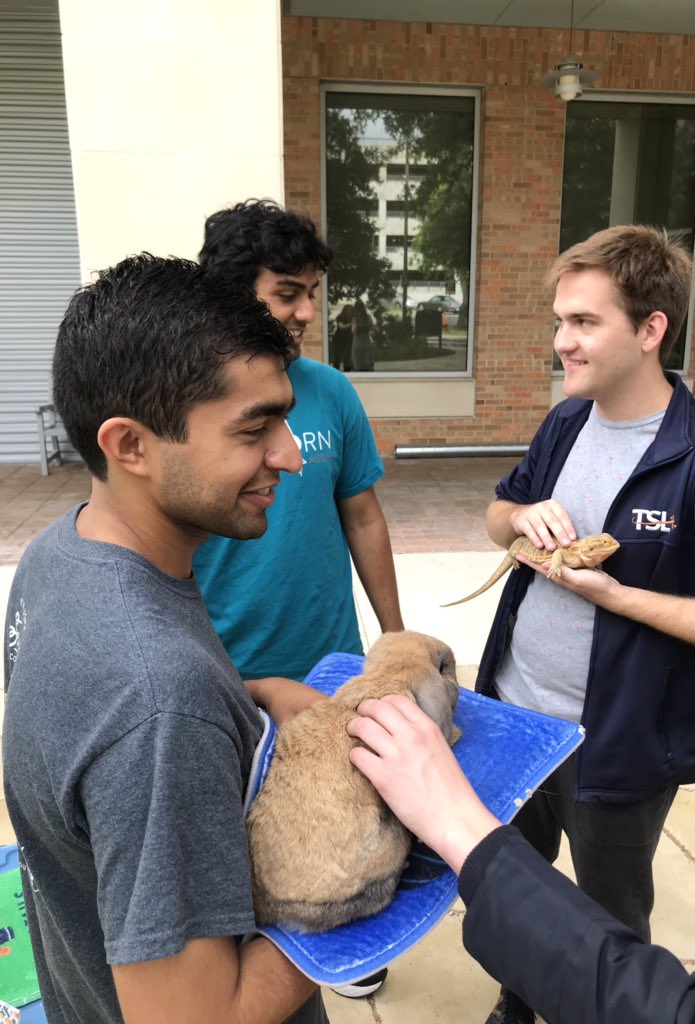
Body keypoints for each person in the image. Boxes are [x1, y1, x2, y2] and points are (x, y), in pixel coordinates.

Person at [2, 255, 329, 1024]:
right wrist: (370, 878)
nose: (290, 454)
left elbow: (91, 735)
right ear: (131, 446)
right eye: (255, 429)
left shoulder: (61, 553)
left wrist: (256, 699)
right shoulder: (159, 701)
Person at [474, 225, 695, 1023]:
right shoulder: (565, 423)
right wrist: (519, 516)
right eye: (559, 323)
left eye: (582, 323)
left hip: (620, 744)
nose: (560, 343)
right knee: (512, 886)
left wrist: (618, 597)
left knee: (607, 927)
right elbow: (499, 512)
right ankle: (516, 1000)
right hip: (513, 714)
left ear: (649, 330)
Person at [194, 199, 403, 997]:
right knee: (236, 830)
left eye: (312, 291)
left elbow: (363, 513)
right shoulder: (185, 398)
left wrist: (392, 636)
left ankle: (341, 945)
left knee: (341, 815)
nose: (307, 312)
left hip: (327, 661)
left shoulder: (331, 394)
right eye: (288, 292)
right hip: (223, 668)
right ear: (233, 291)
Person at [345, 664, 695, 1024]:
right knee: (529, 851)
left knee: (614, 900)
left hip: (622, 746)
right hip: (522, 714)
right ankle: (517, 996)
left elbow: (688, 1010)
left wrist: (455, 823)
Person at [351, 298, 375, 371]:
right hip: (359, 341)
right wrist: (356, 321)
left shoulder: (367, 317)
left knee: (365, 361)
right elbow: (354, 331)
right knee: (360, 360)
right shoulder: (355, 319)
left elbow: (372, 327)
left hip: (364, 340)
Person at [330, 303, 354, 371]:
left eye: (350, 310)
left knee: (347, 357)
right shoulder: (340, 317)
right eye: (347, 310)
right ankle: (335, 372)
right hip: (338, 340)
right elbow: (341, 327)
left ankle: (347, 372)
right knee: (337, 357)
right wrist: (351, 324)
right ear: (344, 310)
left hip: (348, 339)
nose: (349, 312)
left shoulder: (353, 319)